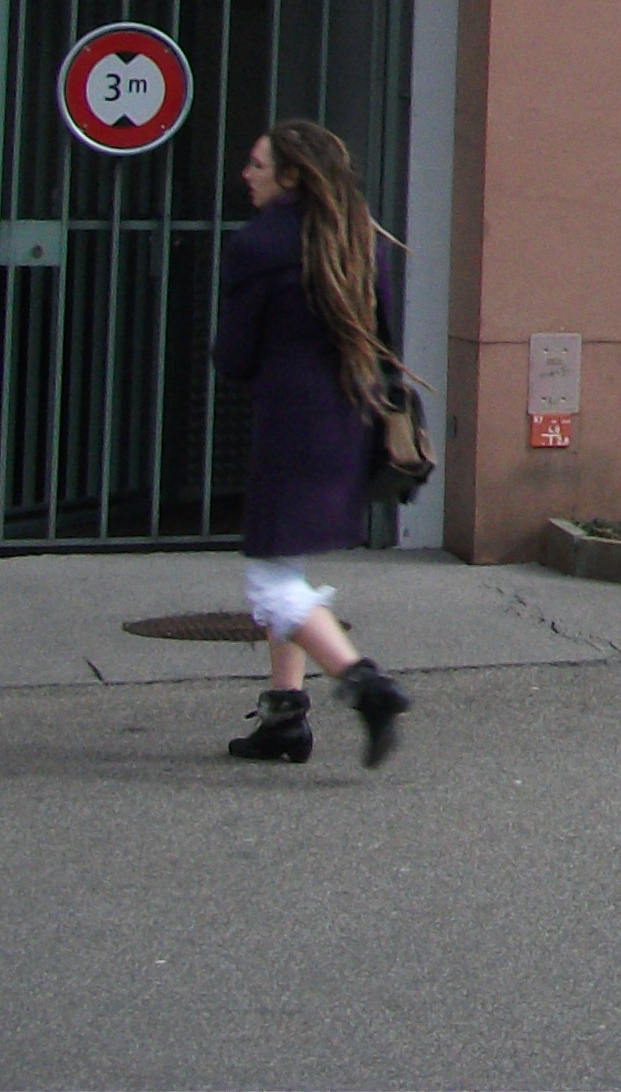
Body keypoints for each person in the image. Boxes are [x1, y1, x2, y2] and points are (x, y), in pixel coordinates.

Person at [210, 120, 413, 766]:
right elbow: (385, 337)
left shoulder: (258, 244)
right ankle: (284, 717)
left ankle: (365, 686)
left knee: (270, 581)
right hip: (349, 419)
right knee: (287, 564)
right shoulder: (359, 237)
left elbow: (233, 354)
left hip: (289, 426)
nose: (246, 174)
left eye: (258, 164)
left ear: (292, 174)